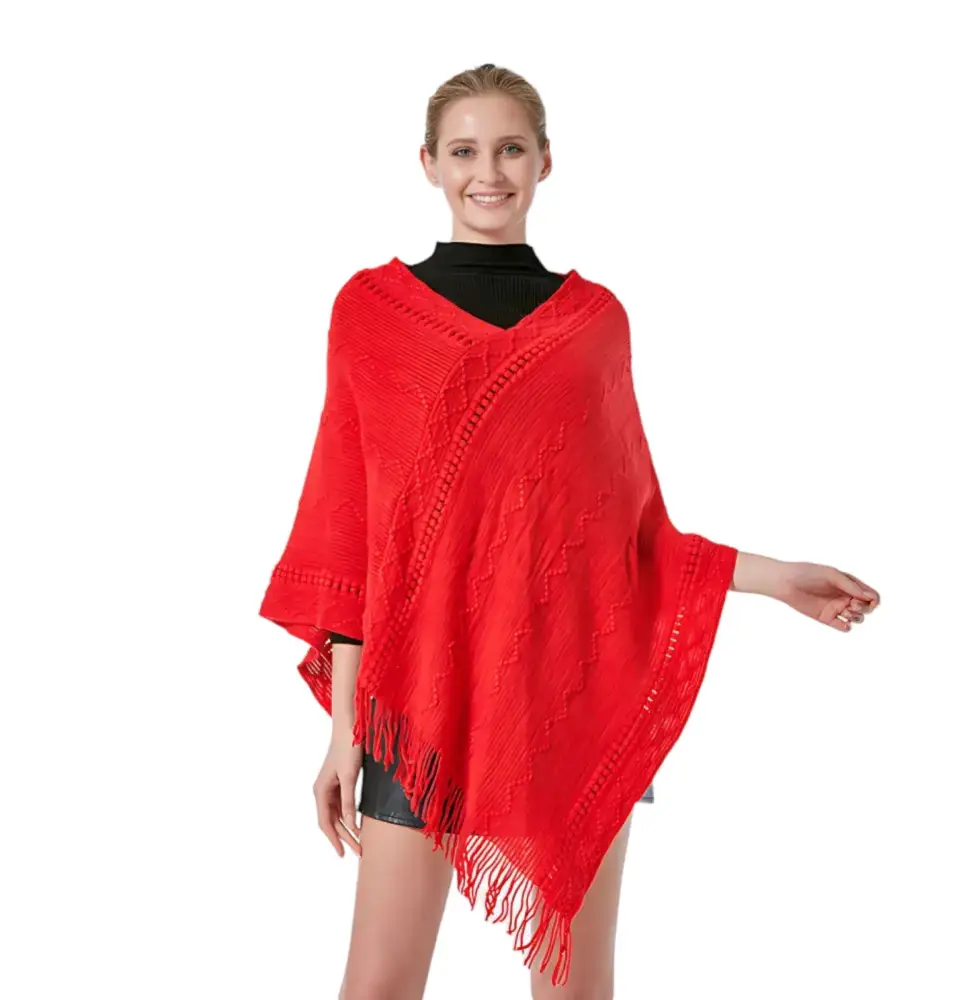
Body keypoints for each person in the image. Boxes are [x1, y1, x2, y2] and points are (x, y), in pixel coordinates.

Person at [258, 63, 881, 1000]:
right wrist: (347, 731)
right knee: (378, 984)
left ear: (545, 161)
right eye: (464, 151)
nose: (488, 172)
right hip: (415, 697)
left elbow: (629, 539)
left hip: (563, 690)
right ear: (427, 163)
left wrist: (777, 578)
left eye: (510, 148)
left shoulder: (593, 323)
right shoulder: (370, 315)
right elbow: (355, 544)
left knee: (577, 989)